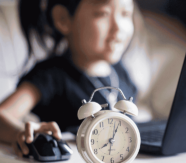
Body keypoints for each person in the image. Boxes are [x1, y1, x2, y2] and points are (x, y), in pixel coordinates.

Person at [0, 0, 147, 157]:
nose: (119, 28)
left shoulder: (119, 71)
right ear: (63, 19)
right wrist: (20, 131)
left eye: (125, 14)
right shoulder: (51, 75)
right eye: (103, 14)